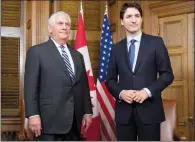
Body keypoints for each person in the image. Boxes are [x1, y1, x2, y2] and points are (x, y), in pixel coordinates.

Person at [106, 2, 174, 141]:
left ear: (141, 19)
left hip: (150, 111)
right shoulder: (116, 49)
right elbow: (110, 80)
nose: (133, 20)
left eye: (137, 16)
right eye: (129, 16)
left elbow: (167, 75)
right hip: (124, 114)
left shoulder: (156, 43)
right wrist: (121, 93)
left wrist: (147, 91)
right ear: (122, 21)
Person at [24, 11, 92, 141]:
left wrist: (87, 111)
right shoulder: (37, 52)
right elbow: (30, 87)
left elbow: (83, 86)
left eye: (67, 24)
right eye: (60, 23)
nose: (65, 27)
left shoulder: (78, 56)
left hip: (74, 121)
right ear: (50, 28)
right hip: (48, 122)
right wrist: (32, 114)